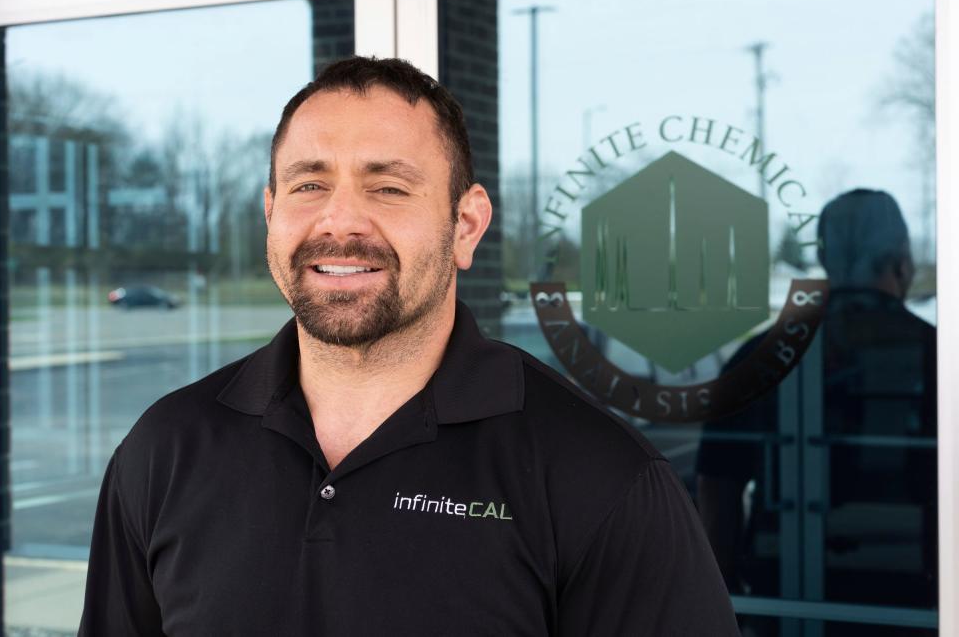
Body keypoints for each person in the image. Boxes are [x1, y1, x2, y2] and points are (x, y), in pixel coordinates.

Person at [79, 56, 739, 636]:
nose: (339, 221)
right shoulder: (165, 449)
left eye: (388, 187)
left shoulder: (601, 479)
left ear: (466, 224)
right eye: (310, 184)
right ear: (271, 213)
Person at [696, 189, 937, 636]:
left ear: (827, 263)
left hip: (778, 597)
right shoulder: (938, 356)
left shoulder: (761, 356)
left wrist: (725, 596)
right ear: (901, 263)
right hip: (913, 601)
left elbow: (717, 486)